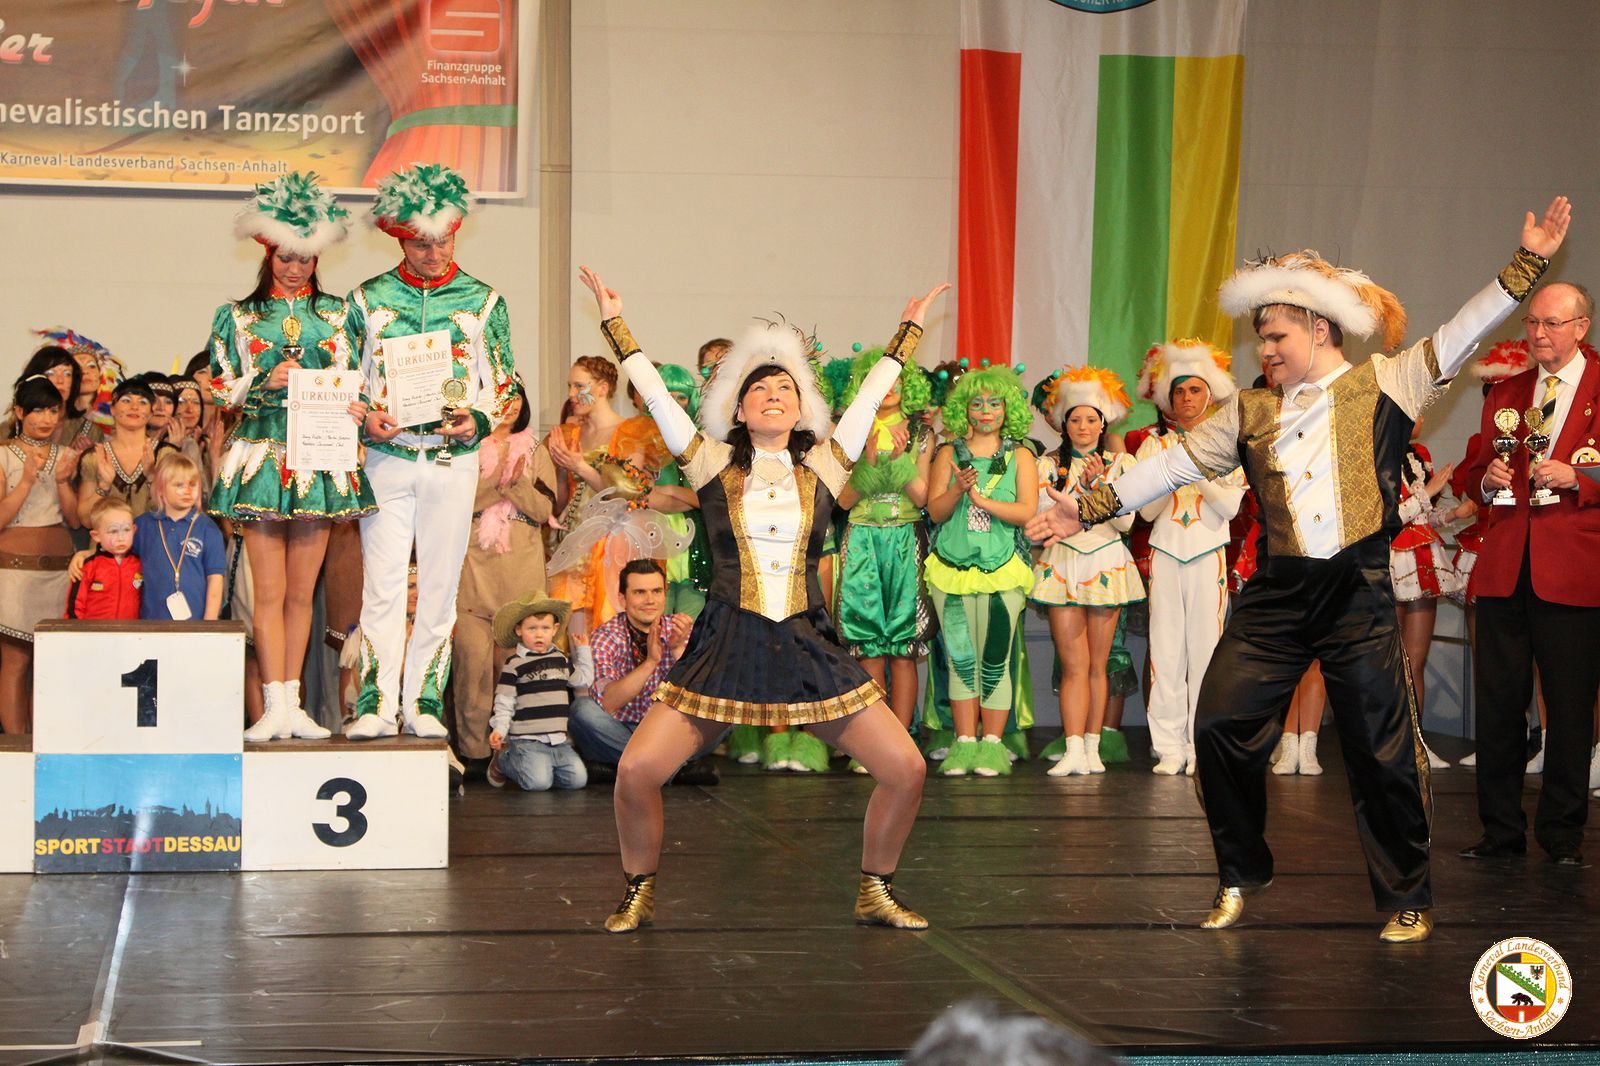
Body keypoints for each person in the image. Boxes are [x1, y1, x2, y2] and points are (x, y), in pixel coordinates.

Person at [1029, 196, 1572, 941]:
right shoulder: (1249, 411)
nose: (1267, 352)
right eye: (1262, 340)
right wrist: (1084, 509)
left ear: (1319, 329)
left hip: (1358, 592)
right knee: (1219, 725)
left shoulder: (1388, 382)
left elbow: (1463, 329)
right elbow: (1169, 467)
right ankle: (1240, 871)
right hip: (1278, 594)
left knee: (1381, 751)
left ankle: (1407, 894)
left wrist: (1528, 262)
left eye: (1277, 337)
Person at [578, 265, 945, 933]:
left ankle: (877, 889)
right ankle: (637, 890)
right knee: (636, 771)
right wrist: (616, 326)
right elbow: (656, 396)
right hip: (726, 644)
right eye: (759, 389)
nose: (773, 395)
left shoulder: (825, 463)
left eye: (785, 388)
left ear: (801, 408)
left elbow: (869, 399)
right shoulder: (710, 462)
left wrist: (908, 333)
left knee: (906, 768)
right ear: (739, 410)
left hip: (808, 644)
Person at [347, 163, 517, 740]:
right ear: (399, 237)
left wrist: (480, 419)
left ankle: (422, 701)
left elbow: (504, 385)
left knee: (441, 588)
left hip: (452, 461)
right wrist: (366, 414)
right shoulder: (366, 300)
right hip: (387, 458)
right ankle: (375, 703)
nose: (434, 253)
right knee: (383, 586)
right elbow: (347, 378)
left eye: (443, 240)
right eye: (421, 243)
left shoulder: (485, 301)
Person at [209, 173, 377, 742]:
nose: (295, 268)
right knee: (270, 590)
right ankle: (272, 707)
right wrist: (263, 380)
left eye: (305, 258)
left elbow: (360, 378)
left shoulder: (339, 314)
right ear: (268, 253)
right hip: (261, 456)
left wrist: (357, 405)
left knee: (305, 592)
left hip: (320, 457)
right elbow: (218, 385)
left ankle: (295, 706)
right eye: (286, 257)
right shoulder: (236, 316)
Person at [1461, 278, 1600, 867]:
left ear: (1581, 327)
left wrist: (1581, 477)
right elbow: (1473, 468)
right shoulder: (1508, 390)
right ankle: (1500, 830)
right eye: (1532, 323)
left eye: (1552, 323)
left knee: (1568, 708)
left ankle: (1563, 834)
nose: (1539, 334)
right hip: (1504, 568)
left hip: (1572, 570)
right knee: (1497, 705)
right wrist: (1484, 480)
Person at [1133, 340, 1245, 776]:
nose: (1186, 398)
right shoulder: (1152, 447)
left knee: (1207, 652)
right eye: (1179, 391)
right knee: (1165, 652)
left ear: (1209, 394)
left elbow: (1230, 508)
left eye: (1194, 390)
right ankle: (1168, 746)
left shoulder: (1228, 444)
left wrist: (1194, 467)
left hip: (1208, 552)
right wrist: (1170, 467)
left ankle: (1201, 744)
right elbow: (1146, 512)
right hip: (1165, 552)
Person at [1030, 367, 1142, 777]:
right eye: (1075, 419)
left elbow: (1127, 523)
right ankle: (1073, 747)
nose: (1083, 426)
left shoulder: (1122, 464)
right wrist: (1077, 492)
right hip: (1063, 565)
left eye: (1091, 419)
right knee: (1073, 665)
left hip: (1105, 564)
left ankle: (1093, 748)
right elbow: (1044, 519)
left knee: (1099, 664)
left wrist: (1099, 488)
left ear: (1103, 422)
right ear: (1063, 423)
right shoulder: (1046, 467)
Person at [833, 344, 936, 762]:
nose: (889, 387)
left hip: (905, 539)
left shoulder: (922, 434)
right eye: (879, 380)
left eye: (896, 379)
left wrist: (899, 461)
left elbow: (923, 497)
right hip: (861, 539)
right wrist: (870, 462)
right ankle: (874, 746)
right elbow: (842, 501)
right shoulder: (850, 433)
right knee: (868, 647)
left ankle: (901, 744)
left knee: (902, 648)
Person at [453, 378, 558, 763]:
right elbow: (455, 503)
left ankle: (516, 753)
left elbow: (545, 510)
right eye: (502, 397)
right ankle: (474, 754)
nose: (511, 404)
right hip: (473, 572)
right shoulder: (464, 446)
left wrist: (515, 486)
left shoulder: (535, 449)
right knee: (472, 667)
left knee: (515, 668)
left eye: (517, 397)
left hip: (521, 574)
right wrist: (501, 480)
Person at [547, 356, 666, 635]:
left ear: (602, 388)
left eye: (579, 386)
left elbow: (626, 494)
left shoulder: (630, 432)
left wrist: (580, 467)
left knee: (608, 619)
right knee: (573, 628)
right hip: (574, 542)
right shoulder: (570, 434)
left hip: (612, 543)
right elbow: (562, 499)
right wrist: (560, 473)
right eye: (569, 386)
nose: (571, 394)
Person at [571, 560, 716, 783]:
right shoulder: (606, 635)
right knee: (583, 711)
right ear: (622, 599)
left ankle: (634, 767)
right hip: (621, 728)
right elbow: (609, 702)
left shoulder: (681, 630)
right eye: (640, 592)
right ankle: (672, 770)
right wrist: (650, 663)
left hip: (670, 731)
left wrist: (678, 652)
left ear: (664, 595)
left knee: (727, 709)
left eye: (656, 591)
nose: (650, 600)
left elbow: (705, 694)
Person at [1, 376, 82, 732]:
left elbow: (76, 519)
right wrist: (26, 481)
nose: (46, 419)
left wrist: (63, 481)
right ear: (20, 412)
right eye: (38, 410)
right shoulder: (3, 454)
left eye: (52, 410)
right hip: (14, 573)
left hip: (59, 574)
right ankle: (15, 745)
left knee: (51, 664)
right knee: (15, 661)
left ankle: (45, 741)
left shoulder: (66, 456)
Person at [487, 590, 593, 792]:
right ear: (519, 630)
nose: (538, 634)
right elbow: (504, 701)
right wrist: (500, 729)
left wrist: (583, 650)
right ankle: (503, 760)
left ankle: (542, 768)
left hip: (559, 741)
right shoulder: (515, 664)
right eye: (532, 628)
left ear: (554, 629)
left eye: (545, 628)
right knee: (538, 783)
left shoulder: (560, 659)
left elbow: (584, 680)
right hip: (528, 740)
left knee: (577, 780)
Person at [133, 452, 226, 621]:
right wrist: (86, 555)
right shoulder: (143, 525)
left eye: (193, 484)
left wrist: (209, 623)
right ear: (161, 489)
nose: (188, 491)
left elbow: (215, 579)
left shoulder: (208, 529)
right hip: (150, 623)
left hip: (195, 624)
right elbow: (116, 550)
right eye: (179, 485)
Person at [77, 377, 164, 519]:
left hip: (154, 534)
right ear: (112, 409)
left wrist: (152, 477)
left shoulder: (166, 455)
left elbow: (176, 512)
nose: (134, 407)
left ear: (150, 413)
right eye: (126, 400)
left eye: (143, 402)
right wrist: (103, 486)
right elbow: (85, 520)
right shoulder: (95, 457)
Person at [65, 497, 142, 620]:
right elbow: (74, 606)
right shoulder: (88, 567)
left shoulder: (140, 564)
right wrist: (74, 630)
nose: (121, 537)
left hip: (129, 630)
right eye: (113, 531)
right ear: (96, 536)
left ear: (133, 530)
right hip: (93, 631)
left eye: (126, 530)